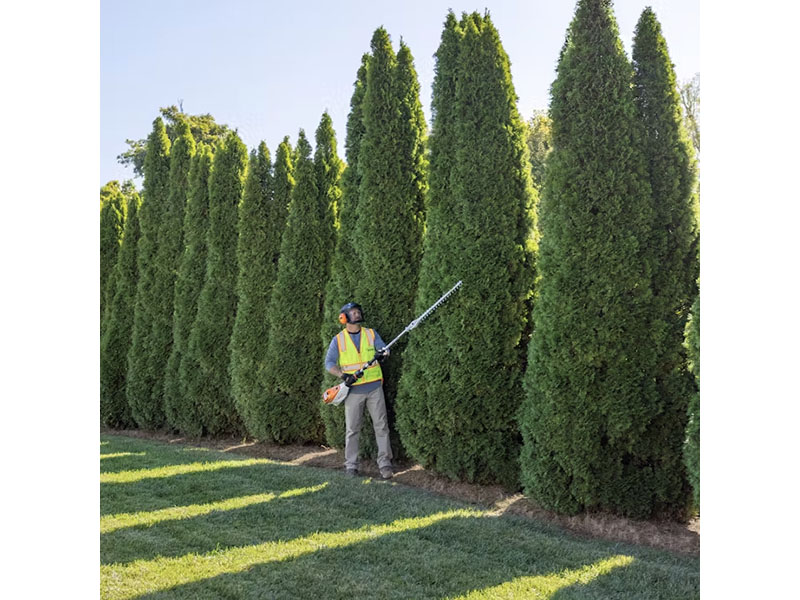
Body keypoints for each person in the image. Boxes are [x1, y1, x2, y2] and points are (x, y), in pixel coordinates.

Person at [325, 302, 393, 479]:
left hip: (374, 388)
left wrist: (383, 354)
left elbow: (385, 350)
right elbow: (329, 364)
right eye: (353, 312)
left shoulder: (371, 334)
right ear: (344, 317)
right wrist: (343, 376)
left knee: (381, 426)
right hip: (353, 391)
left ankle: (385, 464)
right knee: (353, 429)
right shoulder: (338, 340)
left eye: (358, 312)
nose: (357, 314)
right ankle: (351, 466)